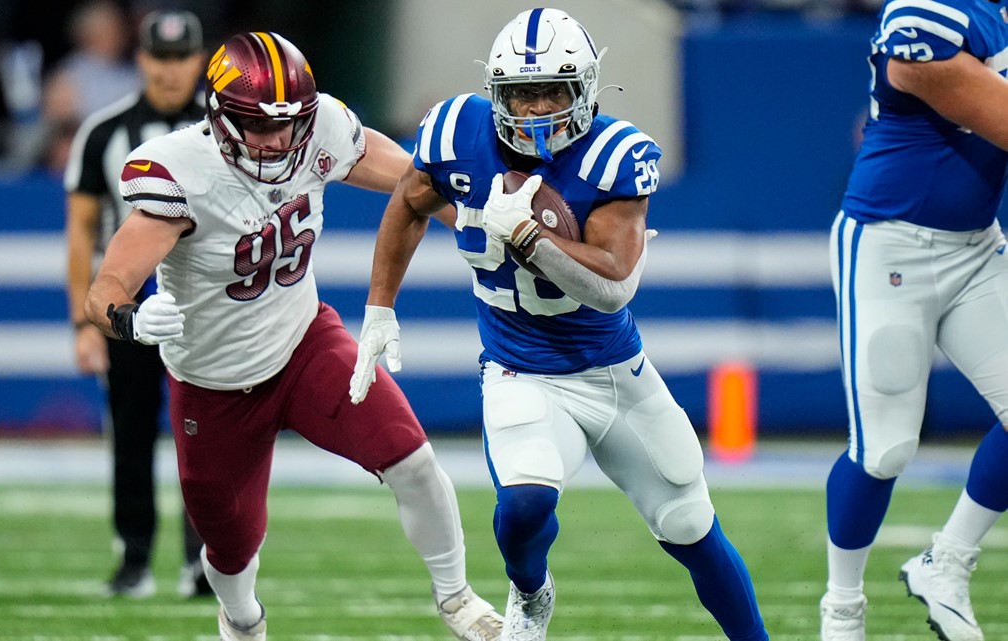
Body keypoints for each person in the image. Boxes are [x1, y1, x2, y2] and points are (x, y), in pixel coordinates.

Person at [349, 8, 770, 641]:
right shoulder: (455, 131)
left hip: (615, 374)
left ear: (585, 90)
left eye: (552, 90)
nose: (536, 107)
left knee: (688, 523)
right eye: (521, 92)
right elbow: (408, 203)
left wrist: (532, 241)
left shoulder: (614, 155)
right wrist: (380, 306)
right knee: (523, 504)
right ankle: (530, 591)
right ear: (496, 91)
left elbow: (612, 286)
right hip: (521, 372)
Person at [83, 30, 503, 641]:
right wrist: (128, 319)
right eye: (257, 125)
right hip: (212, 384)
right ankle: (243, 622)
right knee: (229, 549)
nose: (277, 139)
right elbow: (108, 286)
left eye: (290, 123)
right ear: (222, 116)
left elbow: (421, 181)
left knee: (411, 457)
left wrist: (476, 220)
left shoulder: (321, 130)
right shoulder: (180, 171)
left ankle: (458, 600)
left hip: (303, 345)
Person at [820, 0, 1008, 639]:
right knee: (885, 449)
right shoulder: (924, 19)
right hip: (890, 246)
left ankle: (946, 563)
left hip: (977, 247)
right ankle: (842, 611)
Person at [65, 10, 210, 599]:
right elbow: (80, 231)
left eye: (181, 57)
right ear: (141, 59)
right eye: (160, 56)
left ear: (199, 59)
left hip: (204, 309)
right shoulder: (104, 131)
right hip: (126, 309)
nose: (171, 69)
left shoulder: (226, 126)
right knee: (129, 433)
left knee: (205, 436)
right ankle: (134, 558)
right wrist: (84, 320)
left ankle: (206, 562)